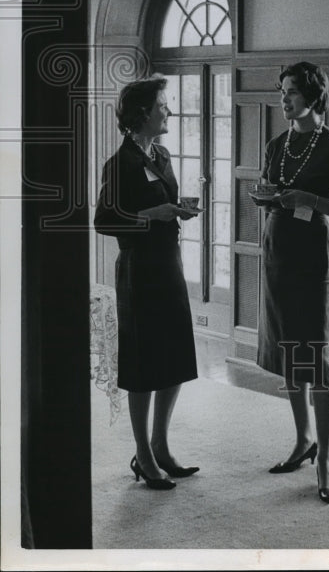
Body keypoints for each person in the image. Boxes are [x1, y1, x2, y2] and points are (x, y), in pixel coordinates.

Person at [257, 61, 329, 504]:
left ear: (313, 97)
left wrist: (308, 199)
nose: (284, 100)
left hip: (315, 256)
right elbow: (268, 188)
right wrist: (267, 196)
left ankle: (326, 457)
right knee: (288, 348)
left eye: (292, 93)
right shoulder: (277, 144)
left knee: (316, 353)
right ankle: (302, 440)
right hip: (277, 250)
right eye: (282, 92)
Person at [94, 74, 200, 490]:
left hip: (168, 262)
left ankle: (160, 444)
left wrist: (176, 210)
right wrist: (148, 217)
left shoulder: (162, 154)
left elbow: (161, 201)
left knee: (173, 353)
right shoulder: (119, 163)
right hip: (138, 269)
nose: (168, 109)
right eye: (163, 104)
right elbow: (103, 220)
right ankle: (142, 453)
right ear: (142, 113)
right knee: (143, 360)